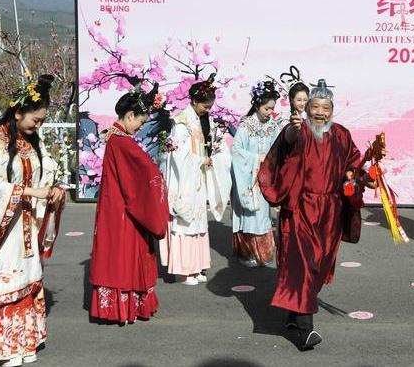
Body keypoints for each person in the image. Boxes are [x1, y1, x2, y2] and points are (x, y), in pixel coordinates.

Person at [258, 79, 379, 351]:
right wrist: (293, 128)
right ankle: (306, 331)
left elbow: (353, 165)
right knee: (302, 266)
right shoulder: (298, 132)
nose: (320, 113)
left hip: (330, 212)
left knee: (319, 266)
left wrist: (365, 176)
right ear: (307, 108)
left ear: (332, 109)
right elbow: (285, 143)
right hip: (301, 208)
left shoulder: (341, 134)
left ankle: (292, 315)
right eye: (315, 107)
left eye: (325, 108)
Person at [0, 75, 66, 366]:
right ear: (18, 112)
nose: (39, 126)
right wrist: (30, 191)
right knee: (0, 281)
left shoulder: (31, 140)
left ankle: (23, 342)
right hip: (0, 227)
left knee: (25, 278)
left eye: (43, 121)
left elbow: (43, 173)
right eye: (36, 120)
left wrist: (53, 190)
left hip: (25, 223)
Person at [88, 81, 169, 325]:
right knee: (126, 254)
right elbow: (144, 174)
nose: (140, 128)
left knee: (118, 254)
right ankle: (125, 307)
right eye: (140, 122)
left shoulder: (116, 138)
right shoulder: (122, 142)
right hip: (124, 211)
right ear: (130, 115)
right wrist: (158, 178)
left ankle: (121, 306)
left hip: (115, 207)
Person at [160, 76, 232, 286]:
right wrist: (202, 159)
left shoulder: (205, 120)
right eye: (204, 105)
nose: (207, 109)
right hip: (185, 178)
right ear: (193, 101)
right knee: (184, 220)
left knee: (198, 220)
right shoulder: (182, 121)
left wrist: (214, 155)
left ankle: (197, 266)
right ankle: (183, 270)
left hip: (198, 175)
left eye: (209, 106)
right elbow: (178, 155)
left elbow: (212, 144)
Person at [231, 80, 282, 267]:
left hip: (265, 177)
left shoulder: (273, 126)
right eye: (267, 109)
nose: (270, 113)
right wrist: (256, 159)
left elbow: (278, 148)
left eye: (272, 109)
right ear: (257, 104)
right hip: (249, 178)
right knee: (250, 215)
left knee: (263, 214)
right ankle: (249, 253)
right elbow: (236, 151)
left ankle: (264, 253)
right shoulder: (246, 126)